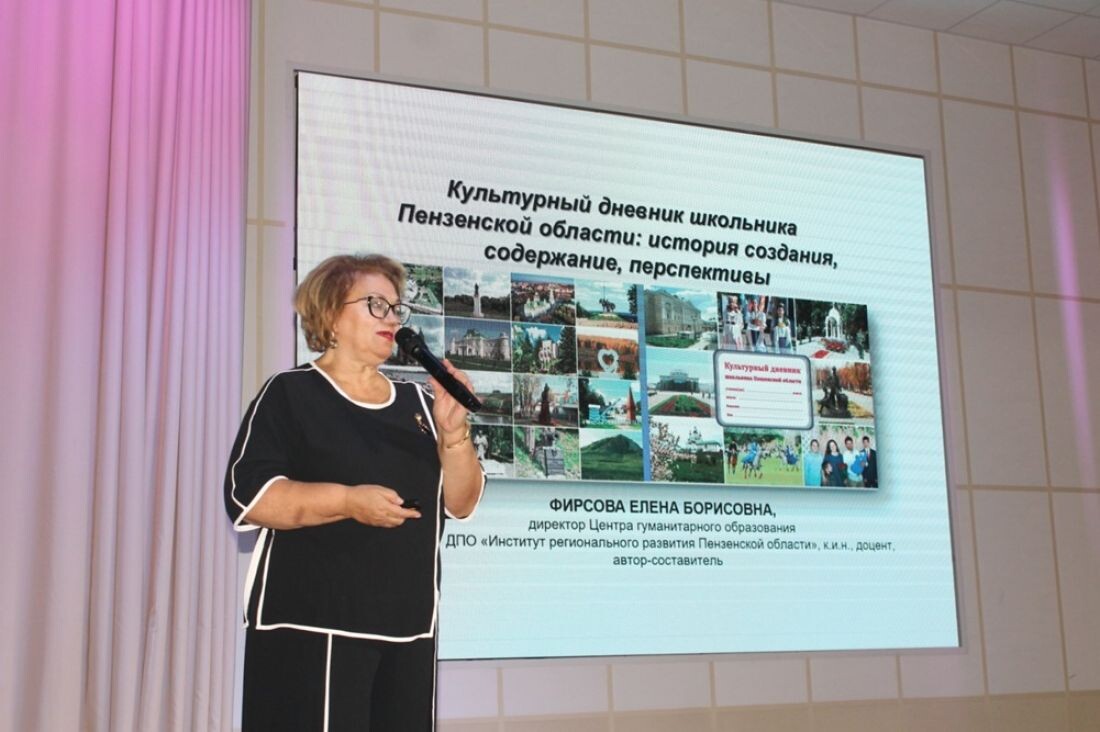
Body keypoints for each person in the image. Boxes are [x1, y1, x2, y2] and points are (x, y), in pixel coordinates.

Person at [224, 254, 484, 731]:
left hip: (409, 630)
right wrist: (348, 502)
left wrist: (453, 434)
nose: (392, 318)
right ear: (330, 315)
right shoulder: (291, 393)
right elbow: (252, 498)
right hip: (312, 626)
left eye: (396, 307)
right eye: (375, 304)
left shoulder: (420, 403)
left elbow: (461, 503)